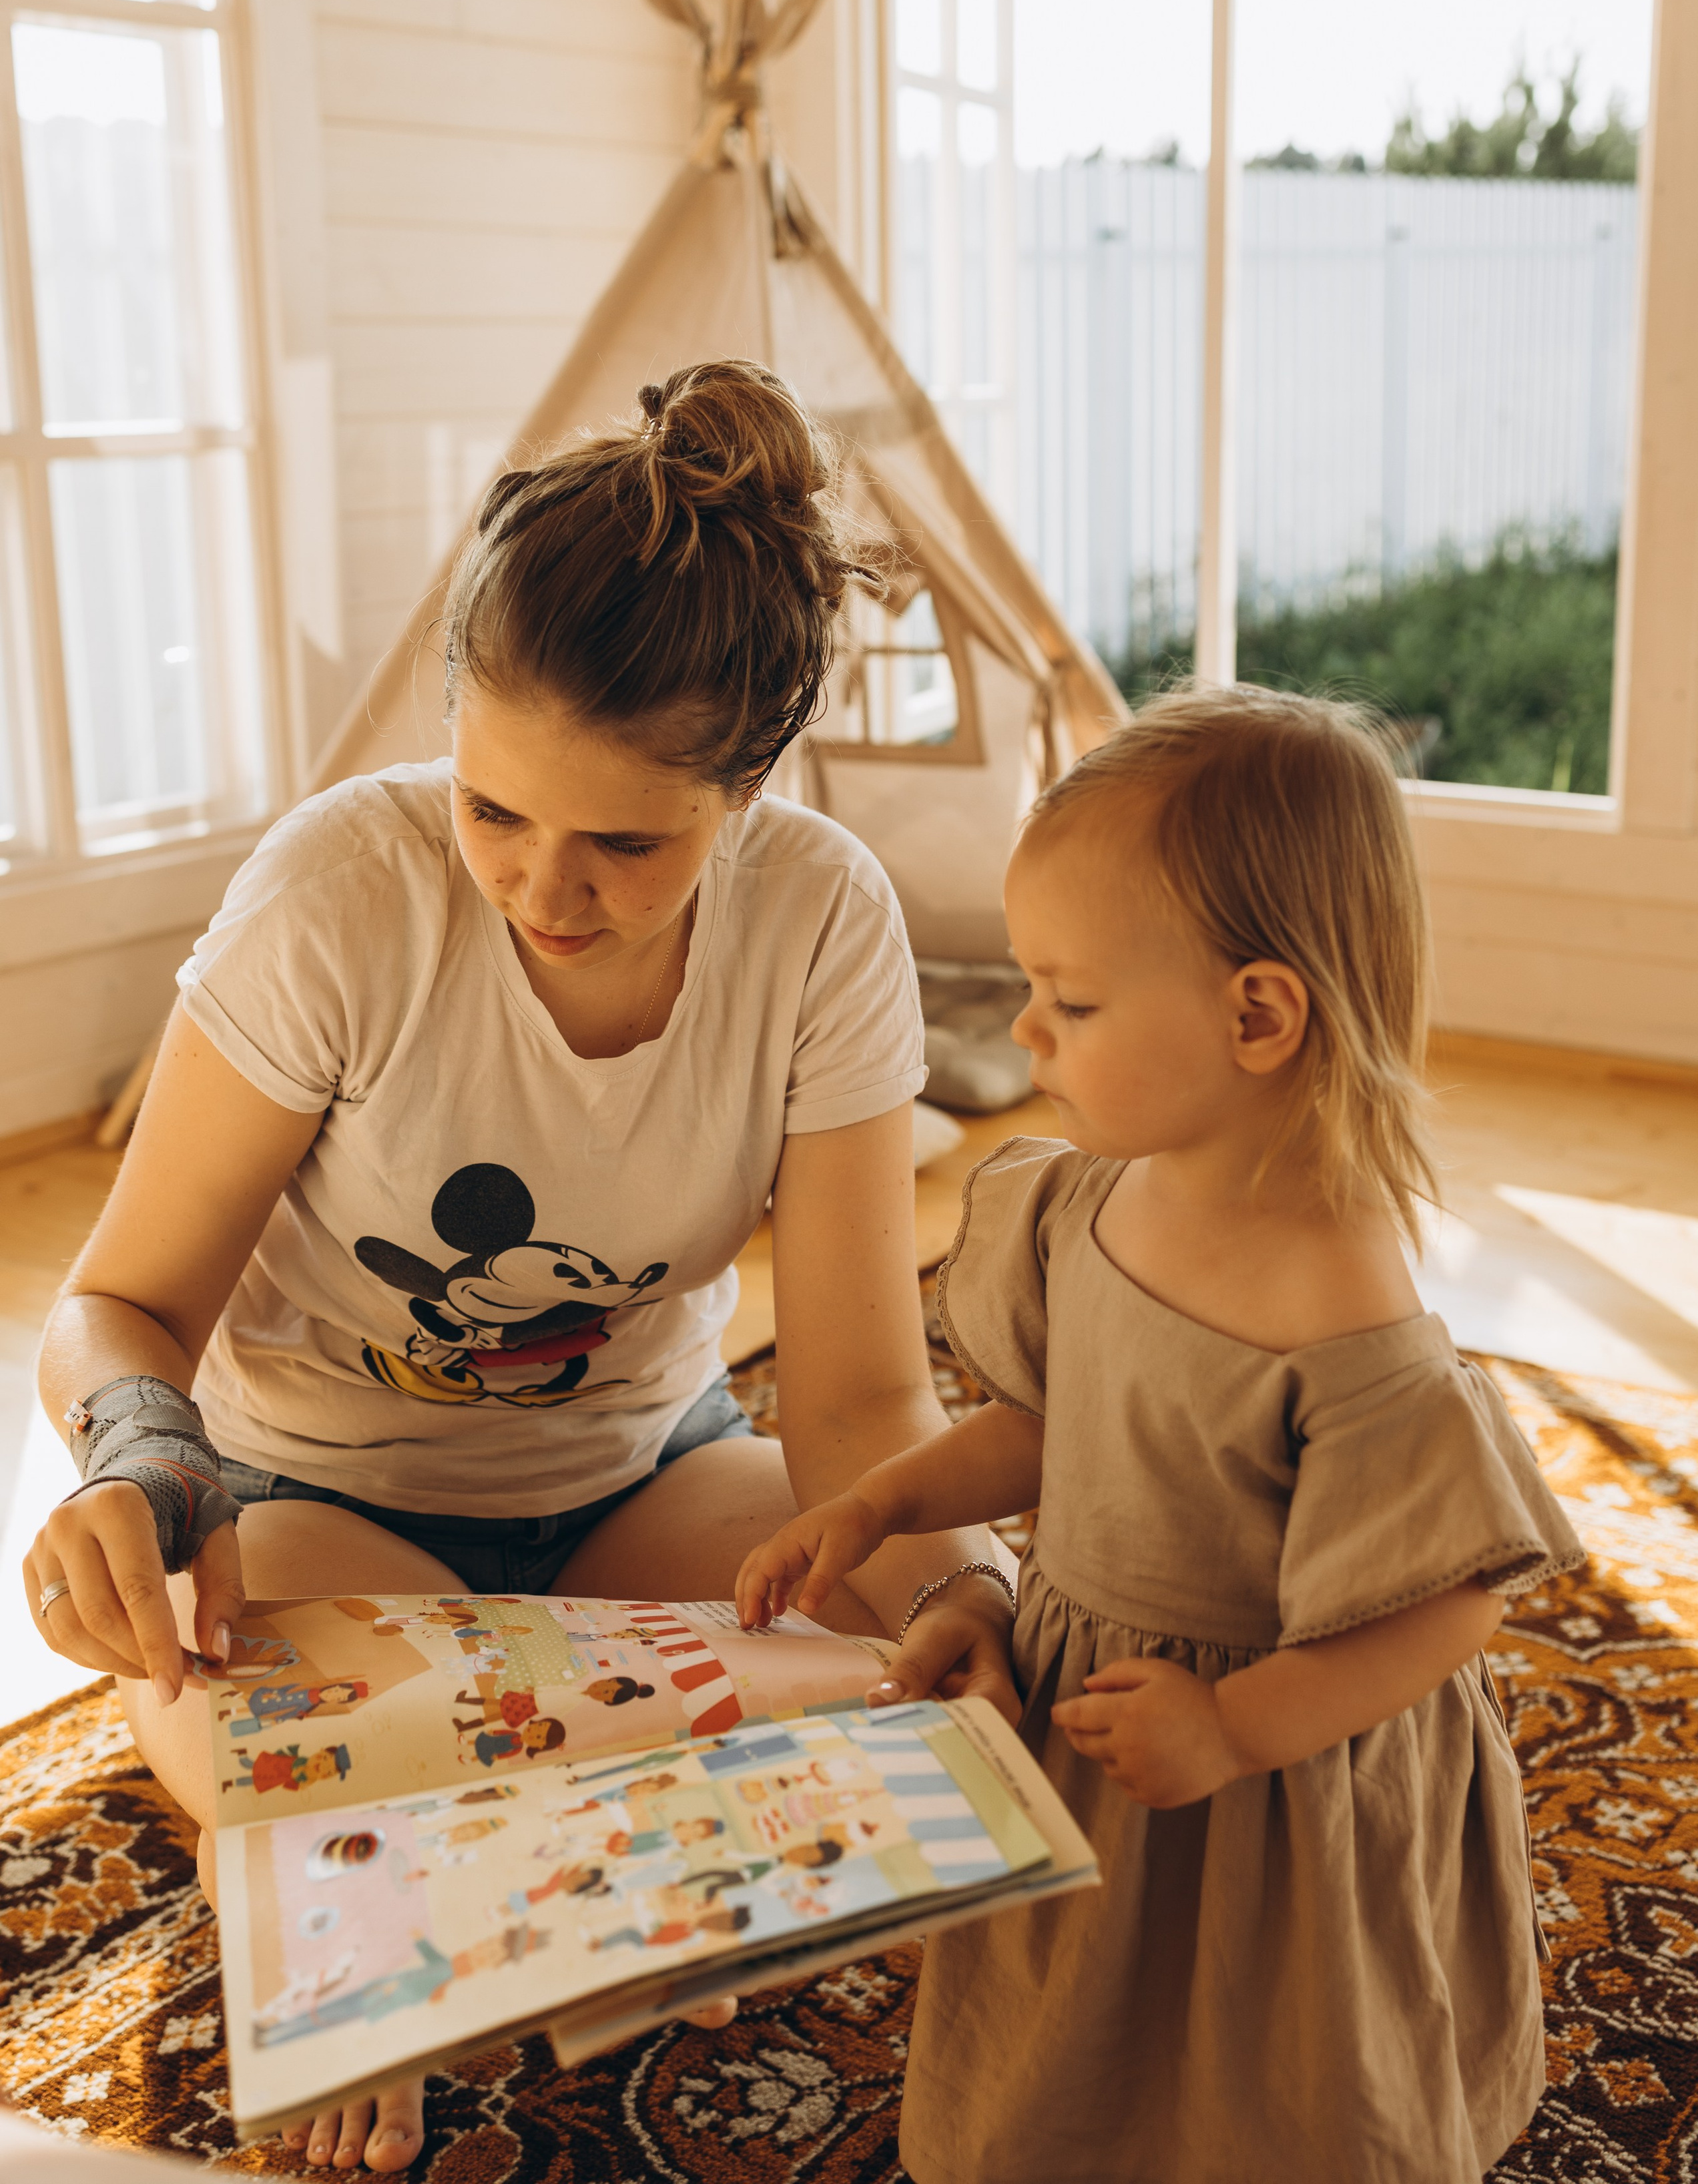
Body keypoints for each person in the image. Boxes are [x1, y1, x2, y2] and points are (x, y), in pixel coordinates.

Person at [23, 360, 1018, 2176]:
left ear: (748, 782)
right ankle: (395, 1909)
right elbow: (118, 1305)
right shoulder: (340, 894)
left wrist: (987, 1613)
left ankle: (535, 1838)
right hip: (312, 1499)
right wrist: (144, 1457)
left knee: (949, 1660)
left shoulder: (823, 918)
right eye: (493, 811)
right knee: (257, 1684)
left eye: (626, 845)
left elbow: (868, 1401)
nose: (541, 890)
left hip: (646, 1477)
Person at [736, 681, 1586, 2184]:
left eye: (1069, 1002)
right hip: (1099, 1697)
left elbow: (1445, 1612)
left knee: (1262, 2069)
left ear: (1255, 1014)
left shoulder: (1342, 1318)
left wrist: (1231, 1726)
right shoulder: (1089, 1201)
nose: (1023, 1032)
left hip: (1266, 1769)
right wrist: (877, 1505)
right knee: (1080, 2031)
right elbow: (1053, 1428)